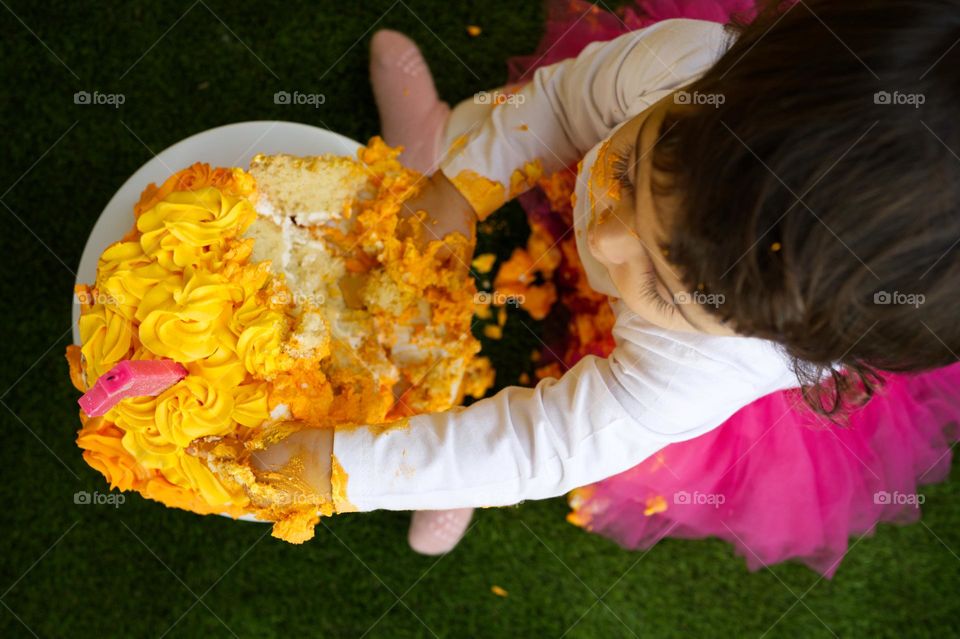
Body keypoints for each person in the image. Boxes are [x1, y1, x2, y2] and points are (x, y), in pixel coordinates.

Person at [215, 0, 960, 571]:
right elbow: (560, 106)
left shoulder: (698, 370)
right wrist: (459, 190)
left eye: (670, 286)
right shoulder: (685, 65)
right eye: (633, 168)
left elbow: (543, 444)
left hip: (673, 381)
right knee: (510, 132)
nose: (601, 238)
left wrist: (351, 469)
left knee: (531, 420)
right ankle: (437, 141)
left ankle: (434, 462)